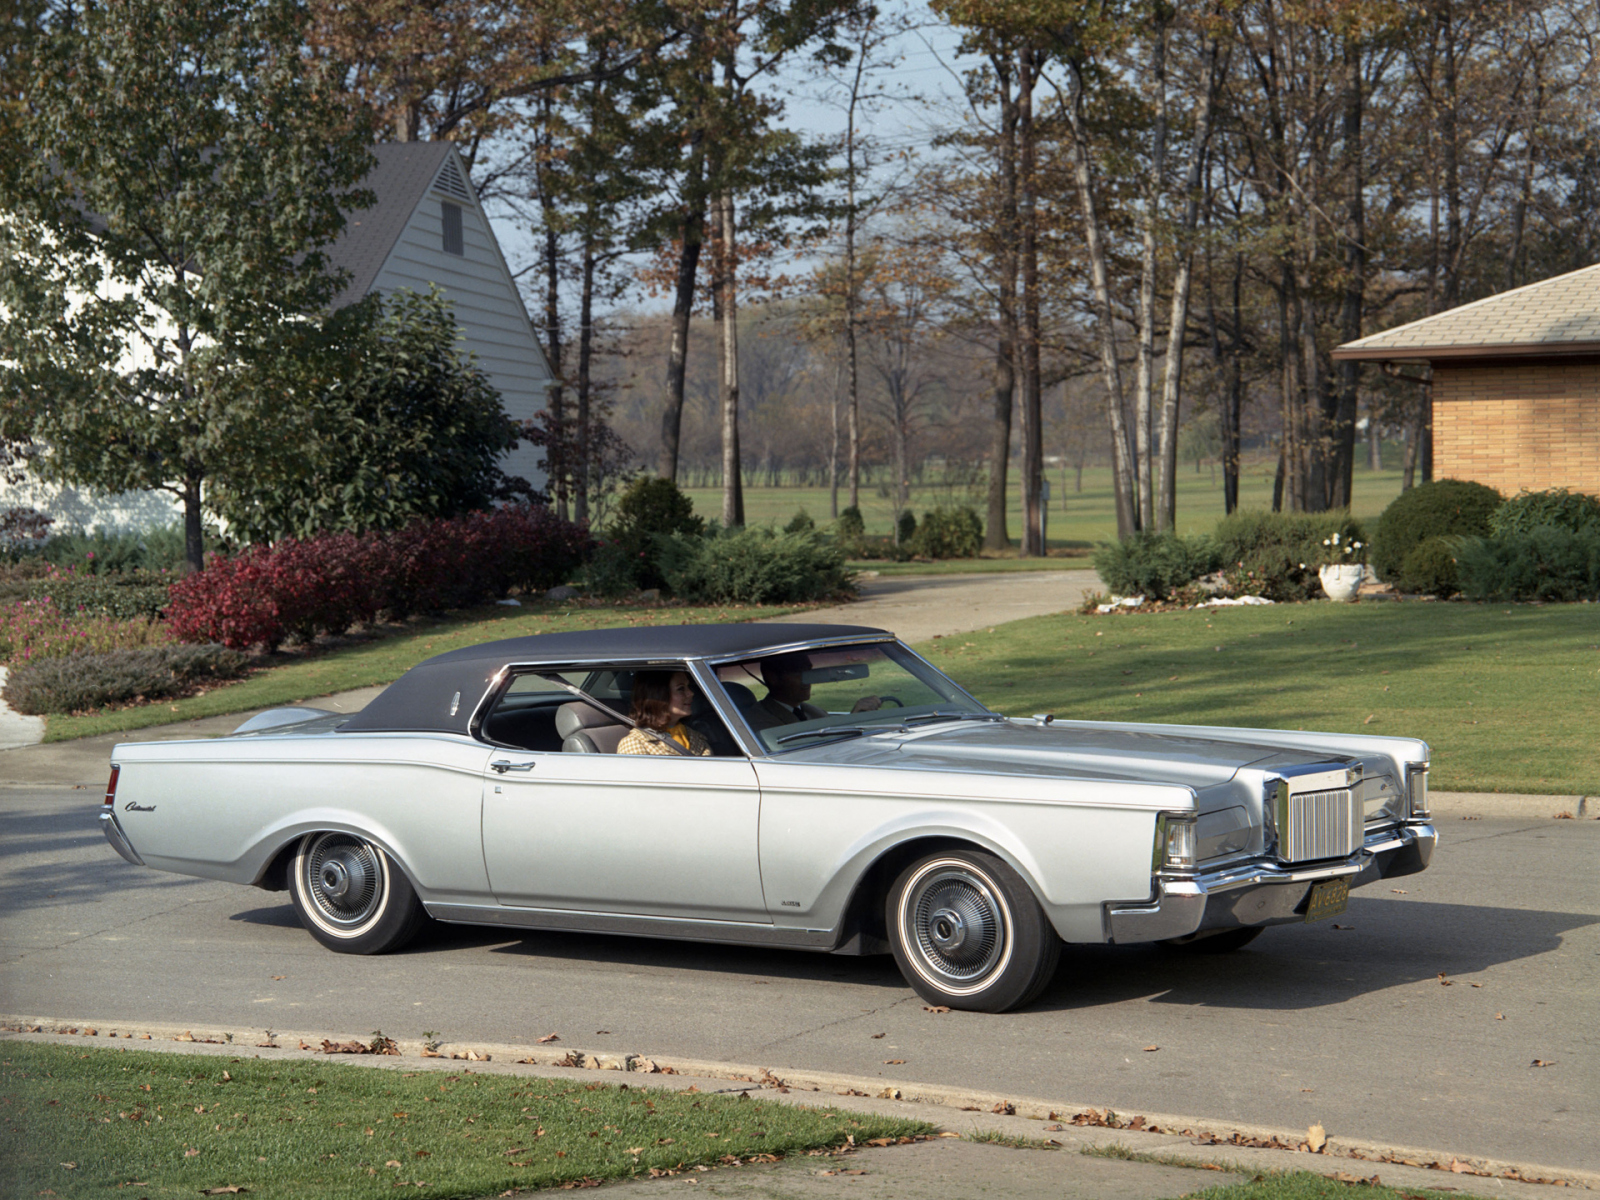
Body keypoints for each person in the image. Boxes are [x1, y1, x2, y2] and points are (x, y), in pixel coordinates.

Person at [745, 652, 883, 732]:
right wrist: (851, 723)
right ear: (773, 678)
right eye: (798, 672)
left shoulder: (812, 711)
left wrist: (855, 719)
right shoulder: (759, 721)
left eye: (809, 670)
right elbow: (804, 752)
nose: (808, 678)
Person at [617, 670, 713, 756]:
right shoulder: (635, 743)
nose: (691, 693)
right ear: (658, 695)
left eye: (688, 686)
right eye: (681, 689)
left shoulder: (694, 736)